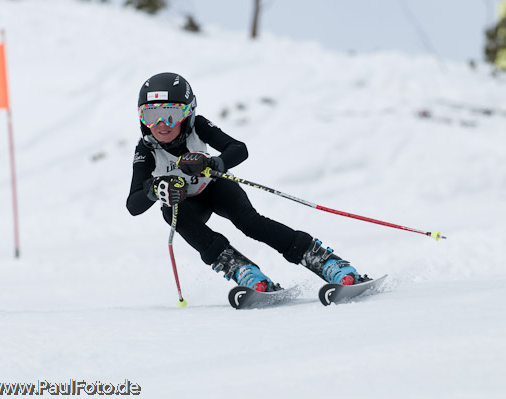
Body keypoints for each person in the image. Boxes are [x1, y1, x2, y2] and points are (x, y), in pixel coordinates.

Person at [126, 72, 369, 292]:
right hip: (188, 205)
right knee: (171, 211)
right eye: (150, 116)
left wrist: (213, 163)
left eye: (170, 115)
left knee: (250, 223)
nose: (160, 125)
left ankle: (325, 261)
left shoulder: (198, 127)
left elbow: (238, 149)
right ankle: (242, 270)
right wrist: (156, 189)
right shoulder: (146, 149)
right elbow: (133, 205)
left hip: (215, 188)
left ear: (188, 114)